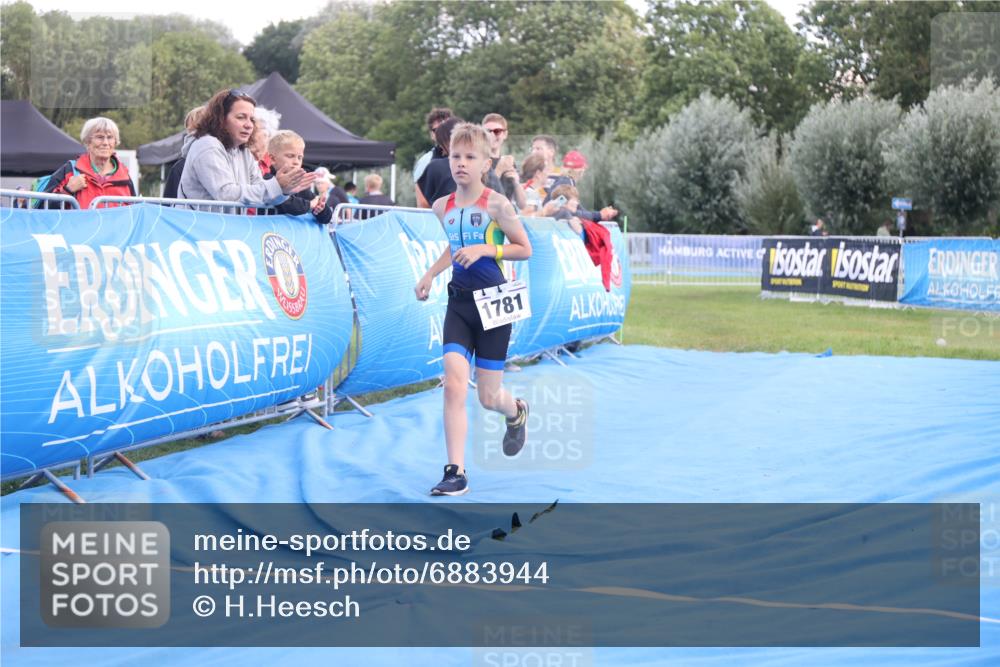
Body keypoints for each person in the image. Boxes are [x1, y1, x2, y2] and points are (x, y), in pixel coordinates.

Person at [414, 123, 533, 496]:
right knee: (452, 383)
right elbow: (456, 246)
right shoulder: (440, 206)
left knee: (487, 397)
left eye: (470, 157)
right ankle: (455, 471)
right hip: (460, 305)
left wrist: (487, 249)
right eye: (455, 156)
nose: (461, 164)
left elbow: (523, 248)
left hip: (494, 306)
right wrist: (431, 274)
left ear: (486, 163)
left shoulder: (497, 204)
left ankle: (515, 411)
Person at [178, 89, 314, 210]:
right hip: (199, 233)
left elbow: (261, 193)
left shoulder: (243, 152)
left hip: (223, 231)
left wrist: (284, 190)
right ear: (221, 119)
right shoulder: (207, 145)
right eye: (241, 117)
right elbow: (226, 194)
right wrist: (276, 186)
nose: (249, 125)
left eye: (251, 119)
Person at [40, 116, 136, 208]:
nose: (105, 143)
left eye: (110, 137)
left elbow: (135, 216)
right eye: (99, 137)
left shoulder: (125, 178)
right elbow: (42, 209)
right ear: (87, 142)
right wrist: (67, 190)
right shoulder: (70, 170)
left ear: (115, 142)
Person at [263, 130, 332, 225]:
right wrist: (310, 205)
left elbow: (327, 218)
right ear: (272, 159)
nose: (296, 162)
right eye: (290, 156)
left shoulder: (299, 184)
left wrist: (320, 208)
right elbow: (287, 204)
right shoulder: (267, 180)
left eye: (300, 157)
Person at [543, 150, 618, 222]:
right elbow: (557, 208)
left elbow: (578, 210)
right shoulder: (565, 184)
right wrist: (599, 215)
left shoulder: (564, 181)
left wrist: (599, 215)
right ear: (581, 171)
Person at [482, 113, 527, 209]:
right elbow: (481, 196)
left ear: (505, 134)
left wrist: (516, 182)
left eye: (497, 131)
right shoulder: (478, 160)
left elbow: (522, 205)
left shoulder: (508, 162)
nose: (492, 135)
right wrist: (499, 170)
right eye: (488, 131)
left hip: (505, 215)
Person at [416, 116, 462, 206]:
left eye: (441, 142)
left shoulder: (435, 166)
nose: (441, 147)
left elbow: (422, 202)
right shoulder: (482, 165)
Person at [414, 107, 453, 208]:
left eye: (448, 129)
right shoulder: (426, 161)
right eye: (438, 130)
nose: (444, 133)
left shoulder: (466, 158)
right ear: (432, 135)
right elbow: (422, 202)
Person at [163, 105, 205, 199]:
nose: (190, 135)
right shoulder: (180, 167)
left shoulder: (229, 159)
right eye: (190, 131)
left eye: (193, 130)